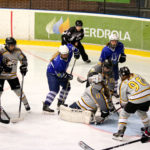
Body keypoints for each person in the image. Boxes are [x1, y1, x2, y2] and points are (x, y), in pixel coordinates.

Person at [113, 66, 150, 141]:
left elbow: (124, 101)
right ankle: (147, 128)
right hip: (148, 96)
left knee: (123, 114)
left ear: (121, 75)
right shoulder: (136, 75)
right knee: (142, 112)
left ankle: (120, 132)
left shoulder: (123, 84)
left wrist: (125, 106)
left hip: (136, 99)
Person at [43, 44, 80, 113]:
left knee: (67, 86)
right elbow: (59, 74)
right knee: (54, 90)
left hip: (60, 72)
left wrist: (76, 52)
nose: (66, 55)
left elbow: (71, 46)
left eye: (66, 54)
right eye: (64, 54)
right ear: (60, 54)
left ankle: (60, 103)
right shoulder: (58, 62)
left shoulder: (68, 50)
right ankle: (46, 105)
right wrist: (67, 76)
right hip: (52, 74)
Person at [0, 37, 30, 111]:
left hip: (12, 76)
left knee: (18, 91)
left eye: (14, 45)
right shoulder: (1, 52)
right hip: (1, 76)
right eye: (11, 45)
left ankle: (26, 104)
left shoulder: (17, 51)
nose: (13, 46)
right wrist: (2, 68)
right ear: (7, 44)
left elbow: (23, 59)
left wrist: (24, 66)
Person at [99, 33, 126, 98]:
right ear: (110, 41)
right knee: (105, 78)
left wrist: (123, 55)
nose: (114, 43)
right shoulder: (105, 50)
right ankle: (105, 90)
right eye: (112, 41)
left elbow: (122, 51)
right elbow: (101, 60)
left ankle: (114, 91)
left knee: (116, 78)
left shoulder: (120, 45)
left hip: (115, 65)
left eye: (115, 41)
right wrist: (101, 69)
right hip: (107, 66)